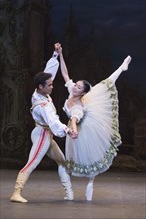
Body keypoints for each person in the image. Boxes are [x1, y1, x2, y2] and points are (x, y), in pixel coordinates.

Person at [58, 44, 132, 201]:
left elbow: (73, 119)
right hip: (77, 127)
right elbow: (65, 73)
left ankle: (91, 183)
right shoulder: (72, 90)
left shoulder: (79, 106)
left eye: (78, 87)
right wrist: (61, 54)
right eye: (75, 85)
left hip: (83, 127)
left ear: (83, 92)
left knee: (92, 155)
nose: (74, 87)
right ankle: (70, 191)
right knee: (78, 158)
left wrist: (74, 131)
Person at [10, 44, 74, 203]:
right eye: (50, 85)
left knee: (62, 162)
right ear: (41, 87)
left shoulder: (40, 89)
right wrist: (67, 130)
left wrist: (55, 54)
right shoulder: (42, 105)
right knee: (32, 162)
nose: (52, 86)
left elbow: (48, 73)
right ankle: (16, 192)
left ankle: (70, 194)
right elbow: (53, 120)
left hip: (46, 133)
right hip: (42, 135)